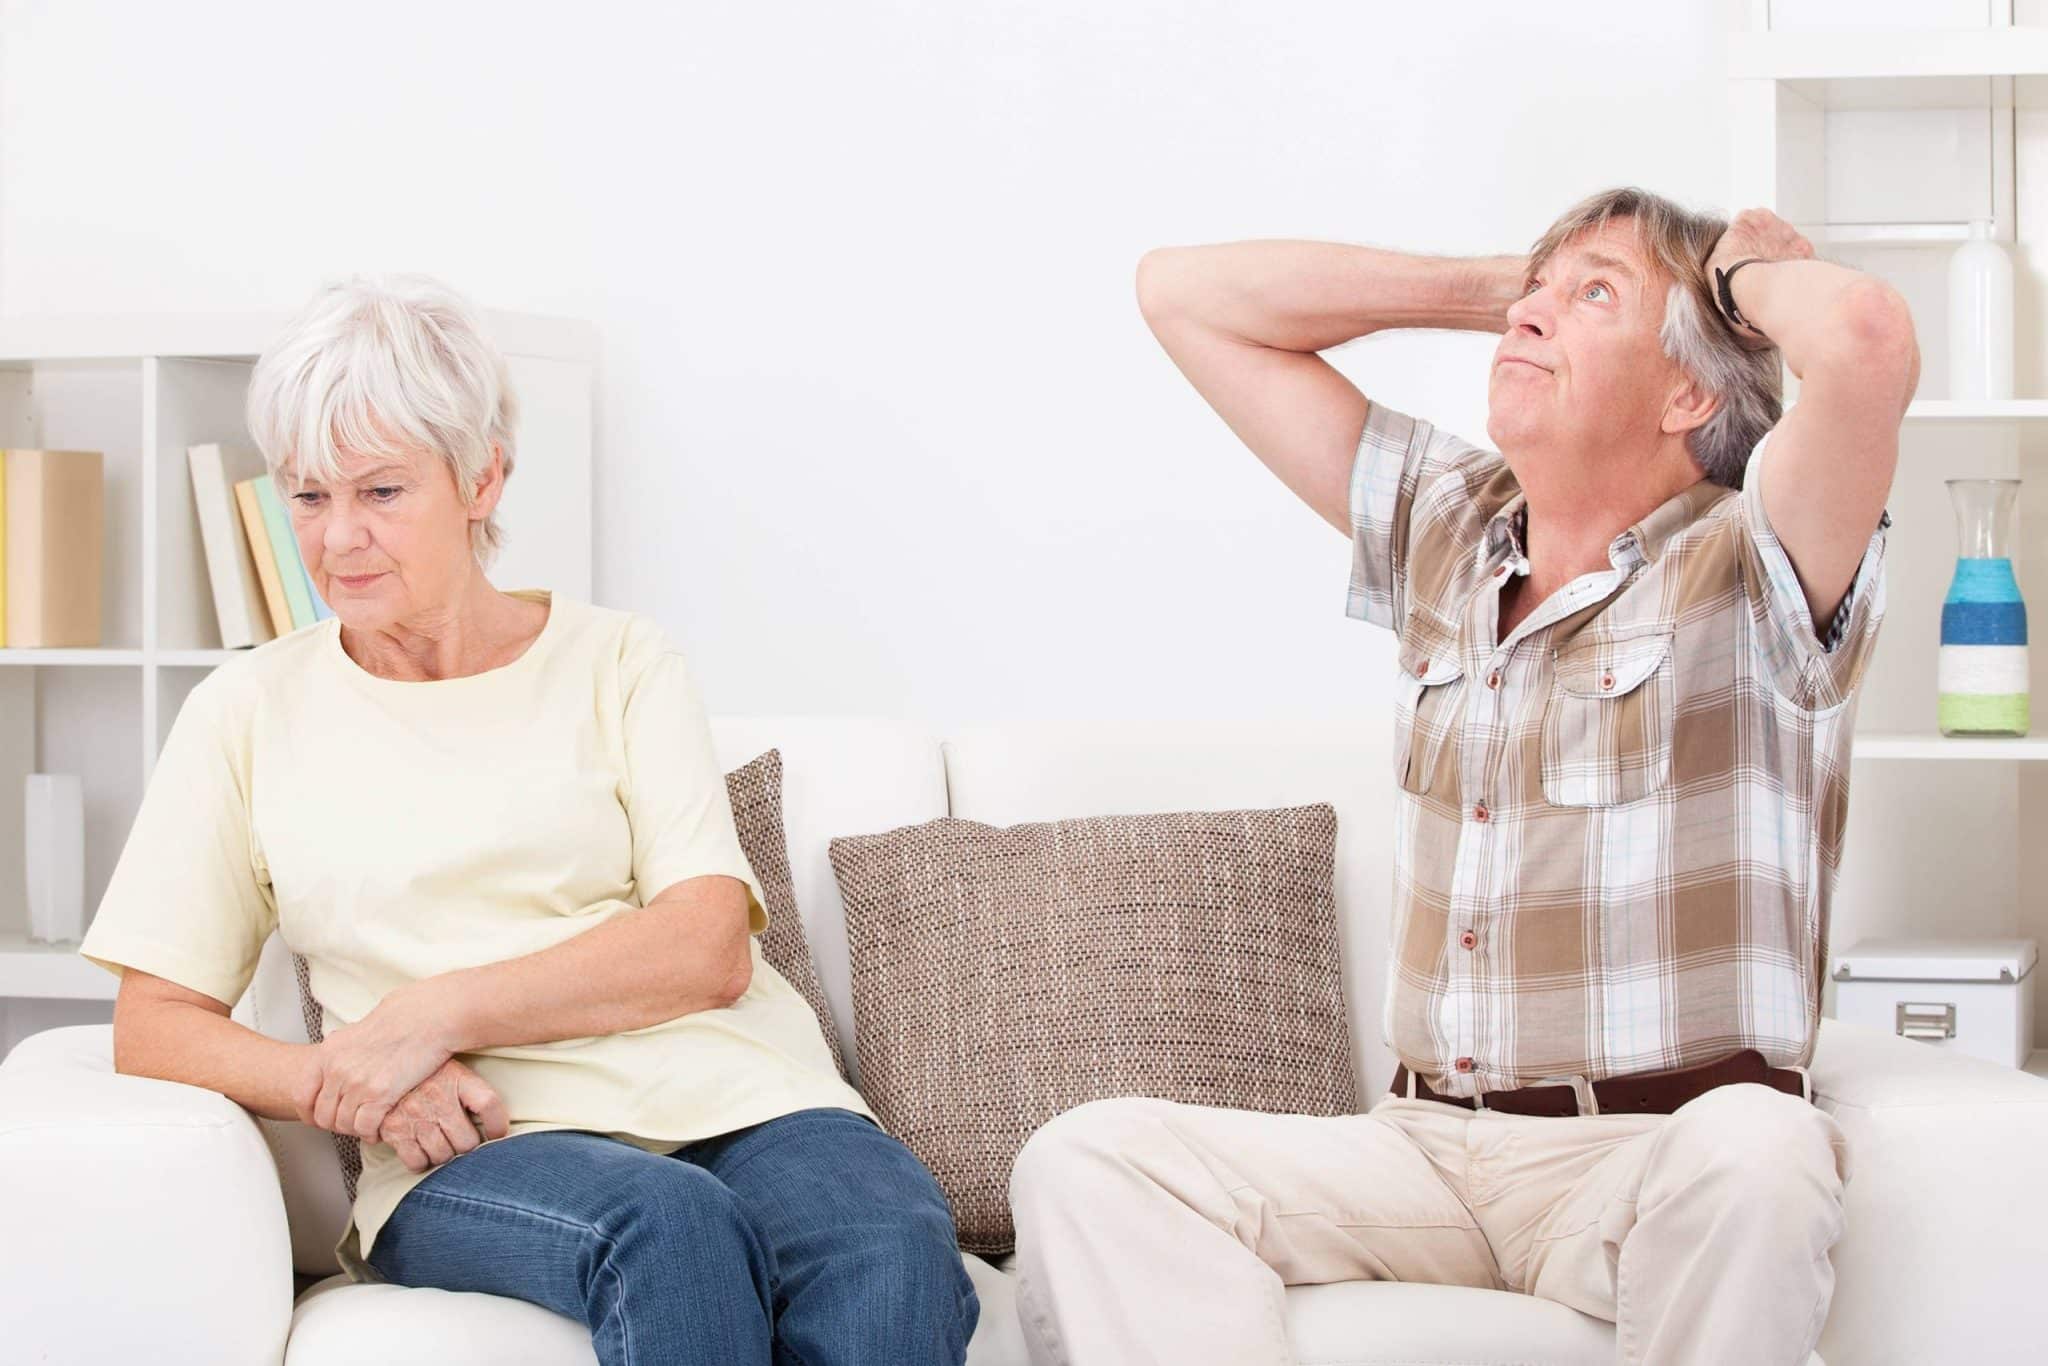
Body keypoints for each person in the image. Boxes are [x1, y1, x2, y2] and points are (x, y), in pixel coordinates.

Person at [1008, 188, 1916, 1365]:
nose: (1530, 315)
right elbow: (1184, 296)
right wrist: (1515, 289)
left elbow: (1864, 339)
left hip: (1650, 1150)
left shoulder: (1756, 557)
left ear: (1688, 393)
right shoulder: (1449, 525)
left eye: (1594, 295)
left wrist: (1730, 284)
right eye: (1535, 293)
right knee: (1087, 1158)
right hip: (1425, 1148)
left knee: (1762, 1150)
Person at [79, 273, 978, 1366]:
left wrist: (432, 1013)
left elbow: (705, 945)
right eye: (308, 497)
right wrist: (347, 1082)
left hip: (744, 1094)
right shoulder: (248, 711)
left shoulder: (620, 660)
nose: (339, 539)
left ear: (482, 477)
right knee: (669, 1225)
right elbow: (155, 1023)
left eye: (382, 491)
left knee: (890, 1246)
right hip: (482, 1143)